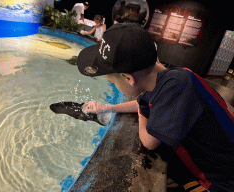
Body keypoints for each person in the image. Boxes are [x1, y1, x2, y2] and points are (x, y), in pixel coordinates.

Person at [77, 23, 234, 191]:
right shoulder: (175, 77)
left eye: (113, 82)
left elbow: (149, 141)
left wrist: (141, 114)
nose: (114, 85)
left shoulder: (173, 91)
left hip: (224, 180)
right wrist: (107, 107)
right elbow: (144, 101)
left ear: (128, 78)